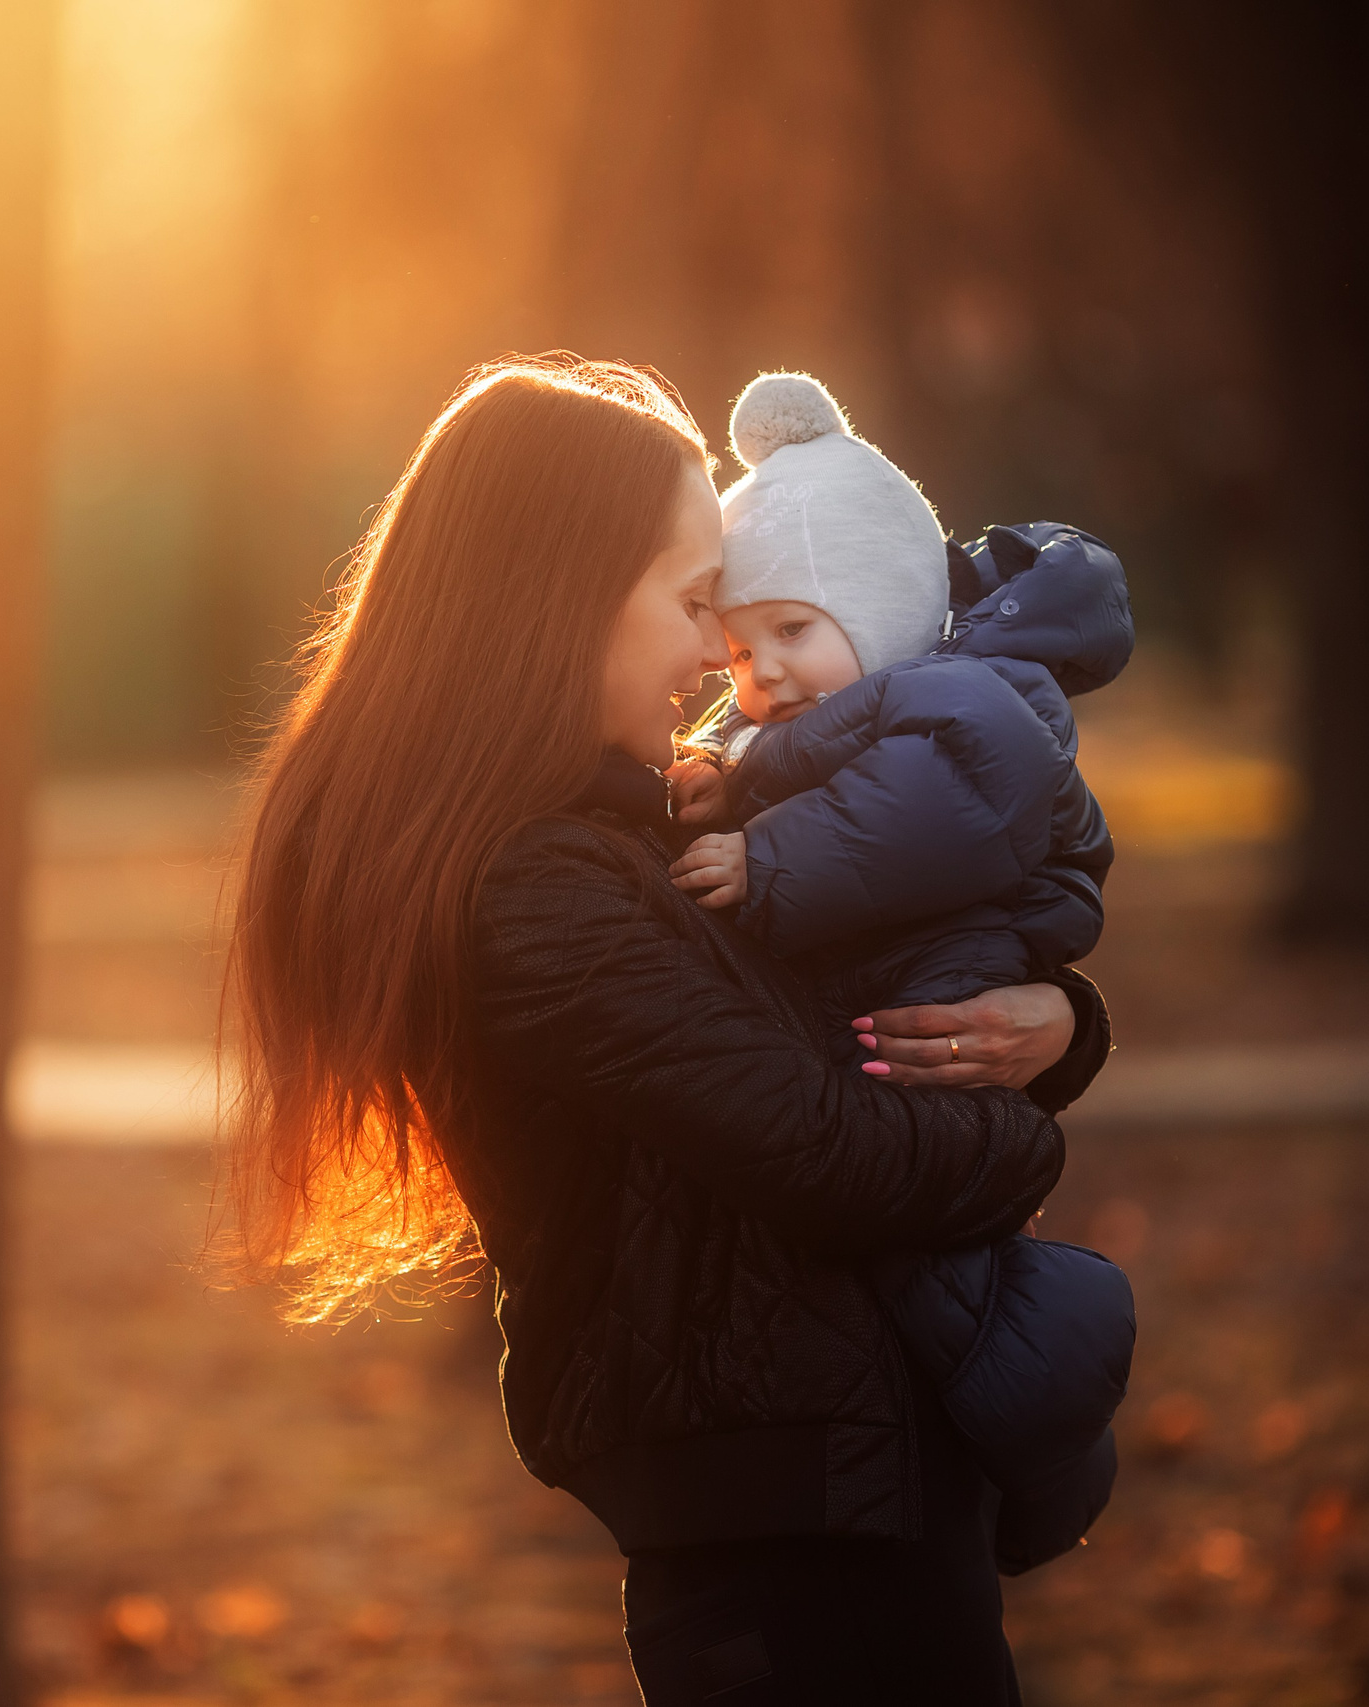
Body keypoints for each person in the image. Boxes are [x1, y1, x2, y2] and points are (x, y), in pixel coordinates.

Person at [220, 355, 1110, 1704]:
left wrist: (1061, 1023)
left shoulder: (618, 839)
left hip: (831, 1494)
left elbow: (838, 1010)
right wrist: (1020, 1134)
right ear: (559, 597)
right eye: (696, 601)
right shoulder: (537, 889)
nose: (717, 654)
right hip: (788, 1536)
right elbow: (832, 1149)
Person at [663, 372, 1138, 1577]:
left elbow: (930, 816)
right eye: (737, 647)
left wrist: (762, 860)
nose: (759, 673)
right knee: (933, 1272)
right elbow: (798, 771)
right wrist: (725, 780)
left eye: (792, 631)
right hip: (911, 976)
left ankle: (1037, 1451)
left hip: (953, 953)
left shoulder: (960, 704)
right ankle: (1026, 1463)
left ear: (875, 612)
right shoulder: (837, 717)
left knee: (944, 1266)